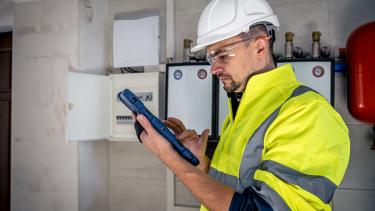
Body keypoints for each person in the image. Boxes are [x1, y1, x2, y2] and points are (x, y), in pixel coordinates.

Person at [134, 0, 350, 210]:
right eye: (211, 58)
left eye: (222, 55)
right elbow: (236, 187)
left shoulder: (307, 112)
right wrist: (198, 164)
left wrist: (173, 161)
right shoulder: (242, 110)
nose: (213, 69)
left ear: (259, 47)